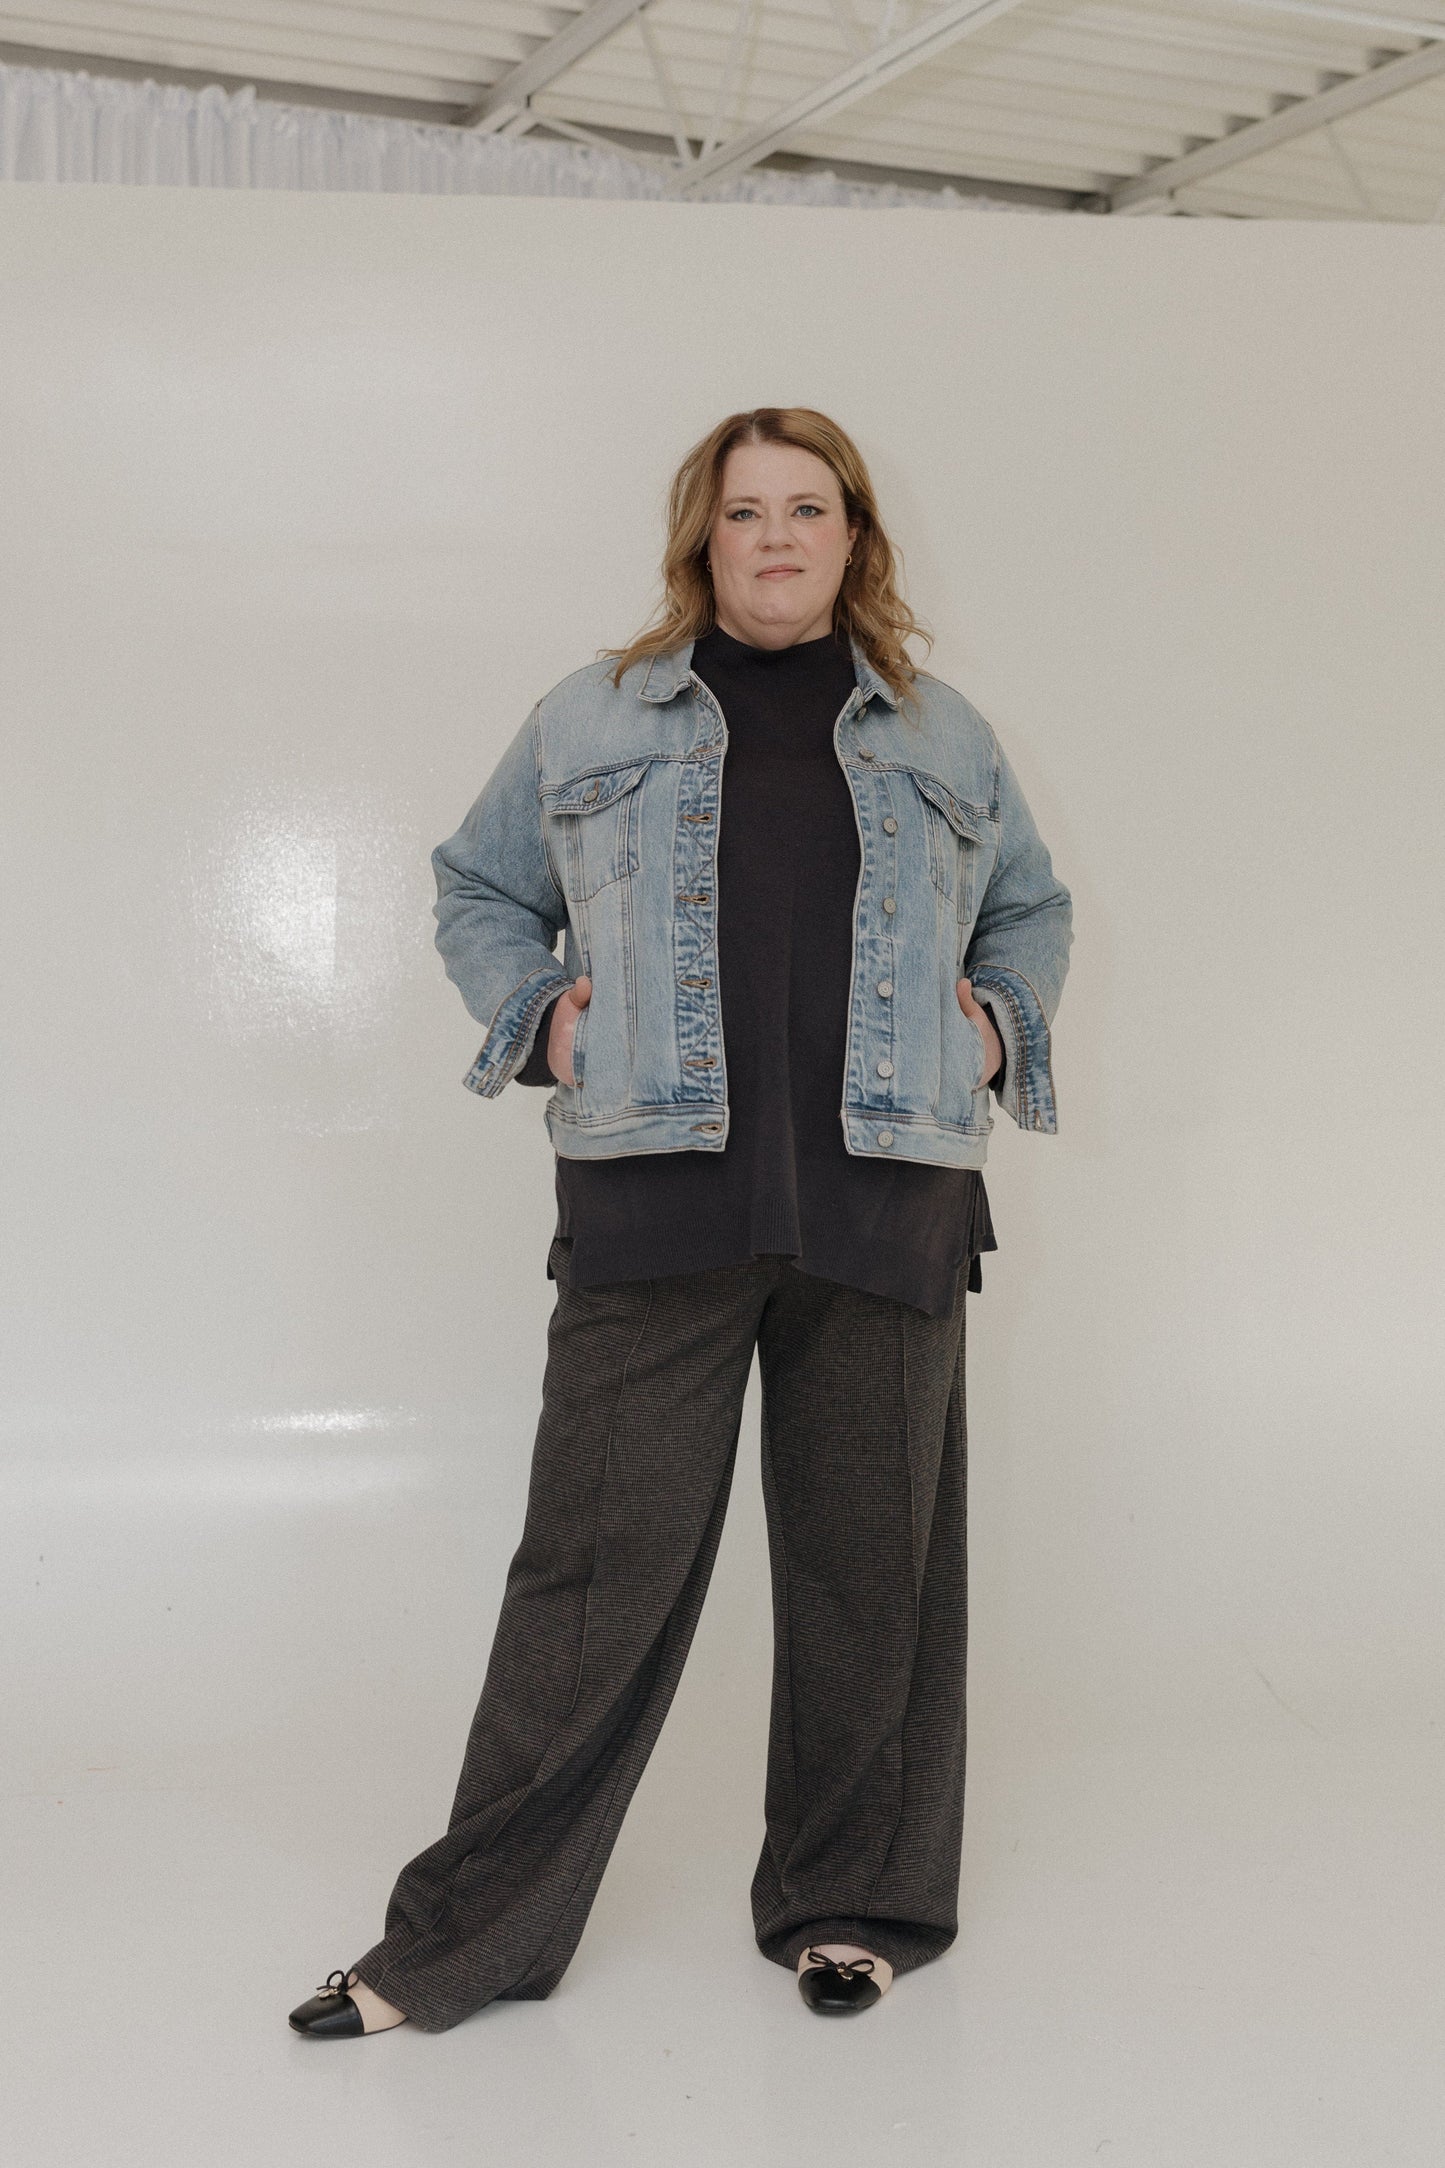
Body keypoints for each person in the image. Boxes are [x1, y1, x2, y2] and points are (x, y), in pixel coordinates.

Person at [288, 405, 1073, 2038]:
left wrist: (999, 1022)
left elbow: (1028, 906)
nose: (776, 538)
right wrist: (539, 1019)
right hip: (657, 1199)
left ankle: (852, 1907)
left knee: (874, 1582)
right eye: (743, 512)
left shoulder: (944, 735)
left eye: (807, 509)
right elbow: (478, 886)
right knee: (589, 1580)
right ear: (699, 540)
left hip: (887, 1197)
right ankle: (461, 1944)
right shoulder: (593, 713)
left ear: (853, 536)